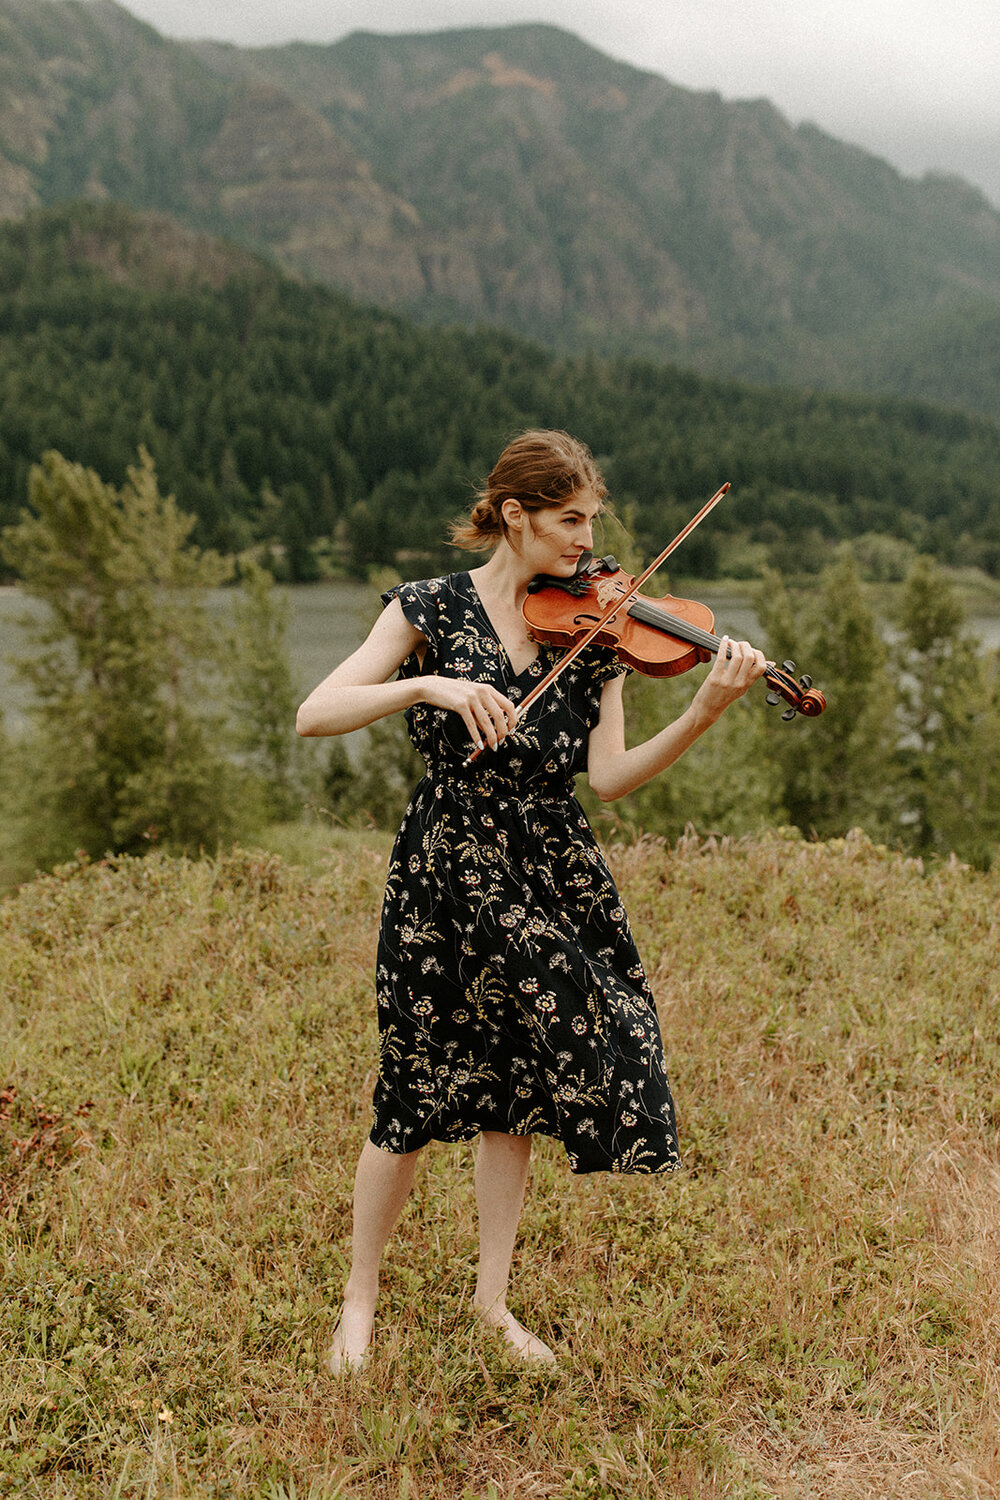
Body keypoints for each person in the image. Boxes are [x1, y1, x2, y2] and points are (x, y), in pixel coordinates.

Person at [297, 429, 766, 1371]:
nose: (587, 544)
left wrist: (704, 711)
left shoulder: (596, 634)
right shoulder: (428, 608)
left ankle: (492, 1303)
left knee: (516, 1089)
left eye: (591, 521)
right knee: (413, 1089)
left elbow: (613, 778)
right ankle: (359, 1304)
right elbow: (316, 712)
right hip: (444, 869)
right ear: (514, 516)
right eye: (569, 521)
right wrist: (427, 685)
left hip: (550, 871)